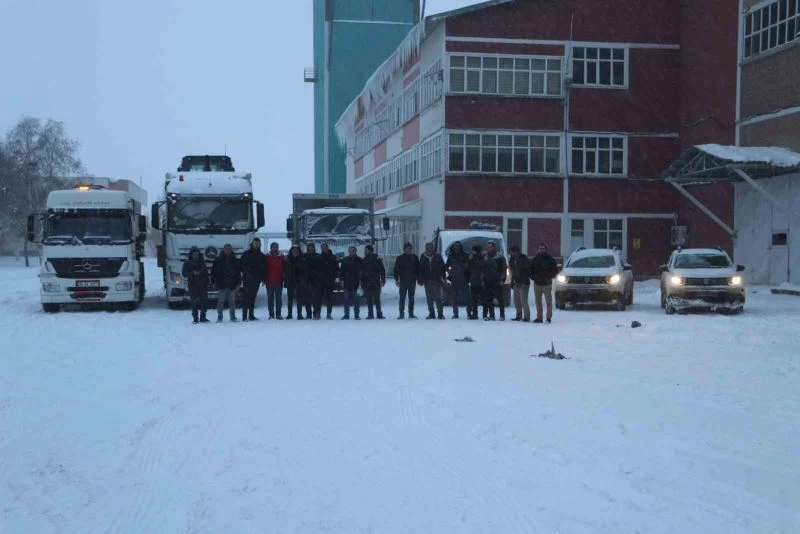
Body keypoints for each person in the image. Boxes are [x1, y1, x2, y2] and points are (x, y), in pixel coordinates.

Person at [530, 242, 558, 323]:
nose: (541, 250)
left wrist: (549, 277)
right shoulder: (535, 259)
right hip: (537, 284)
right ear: (538, 249)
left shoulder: (550, 259)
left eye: (543, 248)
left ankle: (548, 318)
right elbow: (531, 270)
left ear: (545, 249)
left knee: (548, 302)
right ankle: (539, 317)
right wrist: (534, 278)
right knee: (538, 302)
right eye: (540, 248)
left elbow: (555, 271)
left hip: (546, 284)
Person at [211, 243, 241, 322]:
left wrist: (238, 283)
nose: (228, 250)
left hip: (232, 284)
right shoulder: (218, 260)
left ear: (231, 250)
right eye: (226, 249)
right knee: (221, 302)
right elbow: (213, 272)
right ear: (223, 250)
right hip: (221, 284)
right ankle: (220, 316)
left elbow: (238, 273)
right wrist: (213, 282)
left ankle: (233, 316)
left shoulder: (235, 260)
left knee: (232, 302)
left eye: (229, 249)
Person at [239, 238, 266, 321]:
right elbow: (241, 265)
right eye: (255, 243)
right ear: (252, 244)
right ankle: (244, 316)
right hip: (247, 279)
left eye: (258, 243)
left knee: (253, 298)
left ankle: (251, 315)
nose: (257, 245)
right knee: (245, 298)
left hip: (257, 280)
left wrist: (263, 279)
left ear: (260, 244)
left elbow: (263, 268)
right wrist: (247, 271)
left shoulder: (261, 255)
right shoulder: (246, 253)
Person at [419, 242, 446, 319]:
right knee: (429, 298)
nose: (430, 249)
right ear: (426, 249)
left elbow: (443, 268)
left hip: (437, 280)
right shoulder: (423, 257)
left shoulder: (438, 257)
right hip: (427, 281)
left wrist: (444, 278)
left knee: (438, 298)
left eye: (431, 247)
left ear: (433, 248)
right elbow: (420, 269)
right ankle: (431, 313)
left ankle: (440, 314)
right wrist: (420, 279)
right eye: (428, 248)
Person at [182, 246, 209, 323]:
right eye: (194, 254)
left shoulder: (202, 262)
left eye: (197, 254)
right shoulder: (187, 263)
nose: (196, 255)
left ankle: (203, 317)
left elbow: (206, 273)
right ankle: (195, 318)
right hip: (192, 285)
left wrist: (207, 282)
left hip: (202, 285)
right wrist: (192, 274)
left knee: (204, 301)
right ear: (191, 254)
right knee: (194, 302)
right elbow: (184, 273)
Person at [482, 240, 508, 321]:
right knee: (488, 299)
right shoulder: (485, 258)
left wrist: (502, 279)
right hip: (487, 281)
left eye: (491, 247)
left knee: (500, 299)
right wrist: (482, 279)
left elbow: (504, 269)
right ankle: (491, 315)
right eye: (488, 247)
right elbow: (482, 270)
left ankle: (502, 315)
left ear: (494, 247)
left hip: (497, 281)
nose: (489, 248)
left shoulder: (500, 257)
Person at [393, 242, 419, 319]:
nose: (408, 250)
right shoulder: (400, 258)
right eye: (407, 249)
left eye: (410, 249)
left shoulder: (415, 257)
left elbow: (418, 269)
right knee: (402, 298)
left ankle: (411, 313)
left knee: (411, 298)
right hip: (403, 280)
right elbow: (396, 270)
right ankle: (401, 313)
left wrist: (418, 278)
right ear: (404, 249)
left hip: (412, 280)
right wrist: (396, 279)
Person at [445, 240, 470, 319]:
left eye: (458, 246)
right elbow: (447, 266)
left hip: (464, 279)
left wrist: (466, 272)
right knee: (454, 298)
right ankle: (455, 313)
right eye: (455, 246)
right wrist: (449, 273)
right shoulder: (451, 256)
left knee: (468, 297)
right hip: (454, 279)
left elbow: (468, 266)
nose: (457, 247)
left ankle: (469, 313)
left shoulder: (465, 255)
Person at [361, 244, 386, 319]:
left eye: (367, 250)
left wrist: (383, 280)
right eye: (365, 250)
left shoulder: (377, 259)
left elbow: (382, 270)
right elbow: (361, 272)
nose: (365, 251)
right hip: (367, 282)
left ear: (370, 251)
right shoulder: (364, 260)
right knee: (369, 300)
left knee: (377, 299)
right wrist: (361, 282)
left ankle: (379, 314)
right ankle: (370, 314)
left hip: (376, 282)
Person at [509, 245, 532, 322]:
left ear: (516, 252)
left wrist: (522, 280)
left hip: (523, 282)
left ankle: (526, 316)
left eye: (512, 252)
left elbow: (526, 271)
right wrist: (512, 282)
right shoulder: (512, 260)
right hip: (516, 282)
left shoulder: (523, 259)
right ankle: (518, 315)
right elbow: (512, 272)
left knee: (523, 300)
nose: (511, 254)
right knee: (516, 300)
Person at [339, 246, 363, 320]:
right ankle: (346, 315)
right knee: (346, 300)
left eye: (353, 251)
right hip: (347, 283)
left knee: (357, 300)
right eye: (350, 251)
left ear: (356, 251)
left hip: (356, 283)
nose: (352, 252)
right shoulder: (345, 260)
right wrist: (342, 280)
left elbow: (362, 272)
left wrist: (361, 281)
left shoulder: (359, 260)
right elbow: (342, 272)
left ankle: (357, 315)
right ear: (348, 252)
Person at [285, 245, 307, 320]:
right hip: (290, 281)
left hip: (299, 282)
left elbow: (305, 272)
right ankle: (289, 314)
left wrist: (303, 280)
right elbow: (285, 271)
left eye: (296, 250)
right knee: (290, 299)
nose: (295, 252)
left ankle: (299, 314)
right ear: (291, 251)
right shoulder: (287, 260)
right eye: (293, 250)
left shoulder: (302, 260)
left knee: (299, 299)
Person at [264, 242, 285, 319]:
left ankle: (278, 314)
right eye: (273, 247)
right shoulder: (266, 257)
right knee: (270, 298)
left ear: (278, 248)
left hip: (279, 281)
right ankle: (271, 314)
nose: (275, 248)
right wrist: (263, 279)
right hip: (269, 281)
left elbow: (285, 269)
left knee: (279, 299)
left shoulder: (282, 257)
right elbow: (263, 268)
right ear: (271, 248)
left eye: (276, 247)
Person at [320, 243, 340, 320]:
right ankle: (318, 313)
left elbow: (337, 269)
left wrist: (333, 276)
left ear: (328, 248)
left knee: (329, 298)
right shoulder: (319, 257)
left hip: (330, 280)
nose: (324, 249)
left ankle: (329, 314)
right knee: (319, 298)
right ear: (321, 249)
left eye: (325, 247)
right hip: (321, 281)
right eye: (323, 247)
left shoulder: (333, 257)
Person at [304, 243, 324, 320]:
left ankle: (317, 313)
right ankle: (308, 314)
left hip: (317, 280)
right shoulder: (304, 256)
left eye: (312, 247)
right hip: (306, 280)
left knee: (317, 298)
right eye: (309, 248)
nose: (310, 249)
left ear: (314, 248)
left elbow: (322, 268)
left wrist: (318, 274)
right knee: (307, 298)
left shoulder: (318, 257)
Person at [467, 245, 485, 320]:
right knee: (480, 299)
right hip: (478, 280)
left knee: (475, 299)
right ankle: (483, 314)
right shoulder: (481, 257)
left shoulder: (476, 258)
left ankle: (475, 314)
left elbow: (468, 268)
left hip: (477, 280)